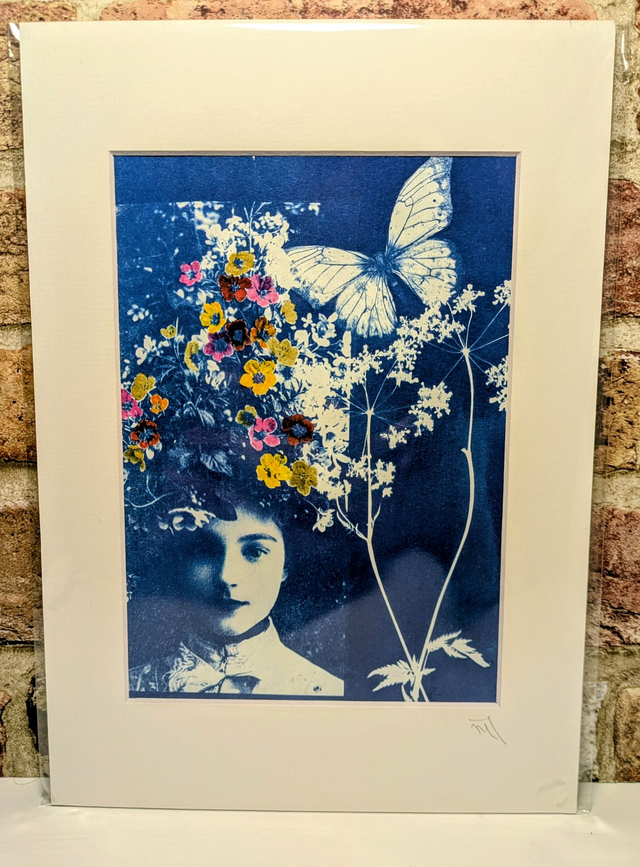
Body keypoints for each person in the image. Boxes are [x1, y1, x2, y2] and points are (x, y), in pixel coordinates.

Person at [129, 503, 344, 697]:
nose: (226, 576)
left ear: (286, 565)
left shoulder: (329, 692)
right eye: (205, 550)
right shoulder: (132, 687)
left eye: (255, 552)